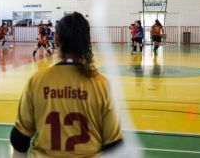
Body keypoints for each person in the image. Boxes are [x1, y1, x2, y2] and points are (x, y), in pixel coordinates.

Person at [11, 12, 123, 157]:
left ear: (57, 40)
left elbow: (19, 139)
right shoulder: (102, 85)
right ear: (87, 41)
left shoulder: (37, 81)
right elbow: (114, 146)